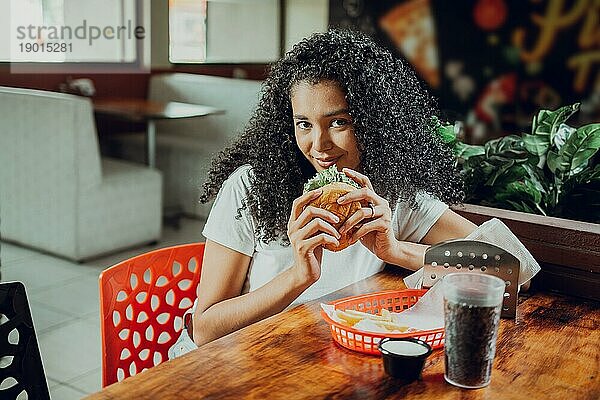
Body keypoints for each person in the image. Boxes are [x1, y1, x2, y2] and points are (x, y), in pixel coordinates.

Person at [169, 29, 477, 357]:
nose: (318, 146)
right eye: (304, 124)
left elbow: (515, 271)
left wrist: (396, 251)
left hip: (317, 364)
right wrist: (299, 276)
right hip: (224, 364)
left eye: (338, 123)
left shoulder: (393, 197)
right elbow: (204, 330)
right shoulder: (250, 188)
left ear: (374, 123)